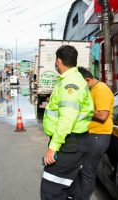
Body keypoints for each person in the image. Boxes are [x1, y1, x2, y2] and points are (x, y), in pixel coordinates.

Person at [40, 45, 94, 200]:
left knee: (51, 191)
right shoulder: (74, 79)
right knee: (69, 189)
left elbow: (67, 119)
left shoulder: (70, 83)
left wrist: (53, 147)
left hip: (68, 143)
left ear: (58, 61)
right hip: (72, 142)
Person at [72, 67, 114, 200]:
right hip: (91, 134)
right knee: (81, 169)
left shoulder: (101, 89)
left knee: (87, 172)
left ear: (88, 80)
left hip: (98, 136)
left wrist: (82, 109)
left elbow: (102, 115)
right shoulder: (92, 89)